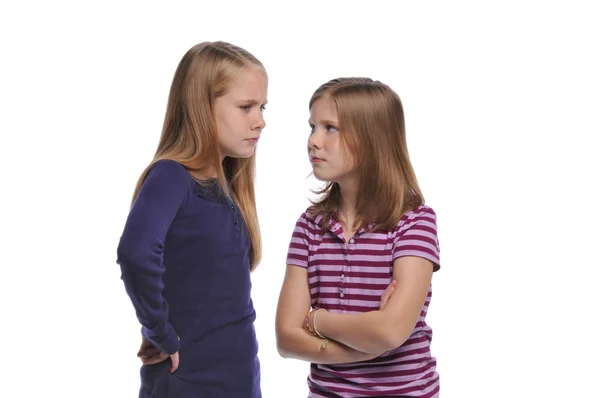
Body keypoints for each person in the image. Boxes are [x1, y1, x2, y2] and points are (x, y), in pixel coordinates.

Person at [116, 41, 268, 398]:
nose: (260, 120)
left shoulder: (228, 188)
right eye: (246, 107)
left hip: (241, 380)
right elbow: (136, 252)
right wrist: (159, 332)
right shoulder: (172, 176)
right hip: (188, 382)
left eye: (262, 107)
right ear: (202, 106)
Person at [276, 77, 441, 397]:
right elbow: (285, 338)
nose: (313, 140)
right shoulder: (310, 227)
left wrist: (317, 321)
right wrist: (364, 346)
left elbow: (391, 331)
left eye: (330, 128)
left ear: (371, 139)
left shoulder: (415, 223)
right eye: (312, 127)